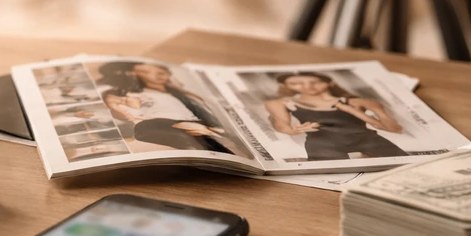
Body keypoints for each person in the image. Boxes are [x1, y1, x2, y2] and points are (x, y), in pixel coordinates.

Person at [97, 61, 240, 155]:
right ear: (134, 75)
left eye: (161, 73)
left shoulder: (185, 95)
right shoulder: (134, 95)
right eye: (145, 72)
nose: (155, 75)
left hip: (198, 125)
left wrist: (211, 127)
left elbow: (208, 115)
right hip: (165, 125)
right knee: (145, 126)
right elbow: (124, 113)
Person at [263, 72, 408, 160]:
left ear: (329, 83)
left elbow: (394, 128)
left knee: (406, 166)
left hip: (367, 138)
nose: (307, 87)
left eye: (316, 82)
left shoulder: (359, 102)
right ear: (286, 86)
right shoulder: (280, 103)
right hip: (323, 143)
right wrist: (293, 131)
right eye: (296, 84)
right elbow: (281, 123)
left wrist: (352, 110)